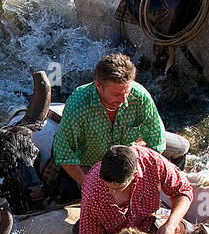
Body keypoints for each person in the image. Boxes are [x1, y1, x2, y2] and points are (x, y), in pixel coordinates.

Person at [49, 53, 189, 201]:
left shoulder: (140, 96)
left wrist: (141, 176)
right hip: (93, 165)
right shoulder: (78, 105)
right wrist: (90, 187)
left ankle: (169, 191)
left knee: (182, 146)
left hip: (130, 159)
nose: (123, 101)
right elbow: (64, 154)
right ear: (98, 86)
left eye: (127, 92)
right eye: (116, 95)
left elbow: (157, 141)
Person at [77, 144, 193, 234]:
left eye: (117, 188)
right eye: (108, 187)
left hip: (146, 221)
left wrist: (171, 224)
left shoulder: (152, 162)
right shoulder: (93, 194)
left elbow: (183, 191)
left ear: (134, 176)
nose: (111, 192)